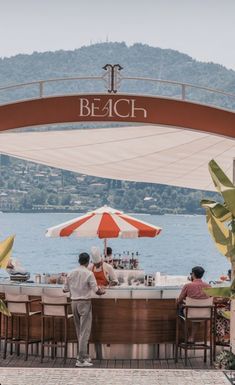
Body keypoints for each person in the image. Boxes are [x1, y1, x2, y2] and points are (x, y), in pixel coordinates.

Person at [63, 252, 104, 367]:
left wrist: (74, 288)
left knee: (79, 330)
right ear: (87, 261)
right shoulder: (89, 273)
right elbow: (96, 290)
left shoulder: (71, 273)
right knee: (84, 331)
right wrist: (102, 292)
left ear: (79, 261)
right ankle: (81, 360)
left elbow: (64, 289)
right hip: (84, 303)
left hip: (74, 303)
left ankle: (83, 356)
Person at [177, 266, 211, 343]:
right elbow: (212, 299)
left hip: (190, 312)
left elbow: (179, 300)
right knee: (197, 316)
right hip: (204, 313)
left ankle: (187, 336)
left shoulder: (188, 286)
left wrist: (180, 303)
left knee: (179, 313)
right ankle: (191, 337)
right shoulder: (208, 286)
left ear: (193, 274)